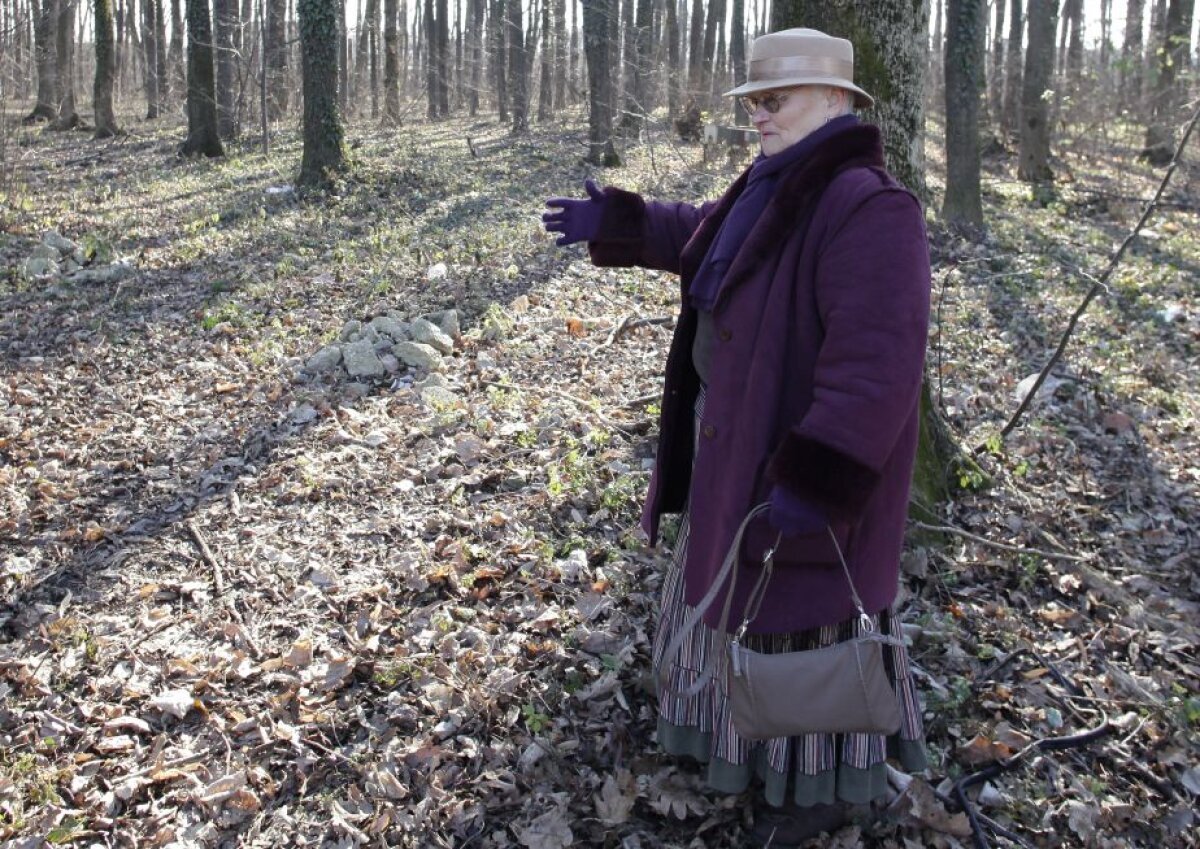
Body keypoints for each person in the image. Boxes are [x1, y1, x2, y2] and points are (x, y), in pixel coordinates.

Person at [543, 28, 930, 847]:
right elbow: (703, 238)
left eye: (775, 99)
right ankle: (736, 758)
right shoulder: (774, 181)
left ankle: (817, 794)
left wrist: (816, 480)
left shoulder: (868, 207)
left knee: (803, 632)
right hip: (734, 456)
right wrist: (622, 221)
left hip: (797, 484)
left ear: (836, 101)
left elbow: (877, 369)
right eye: (753, 99)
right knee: (736, 616)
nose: (758, 114)